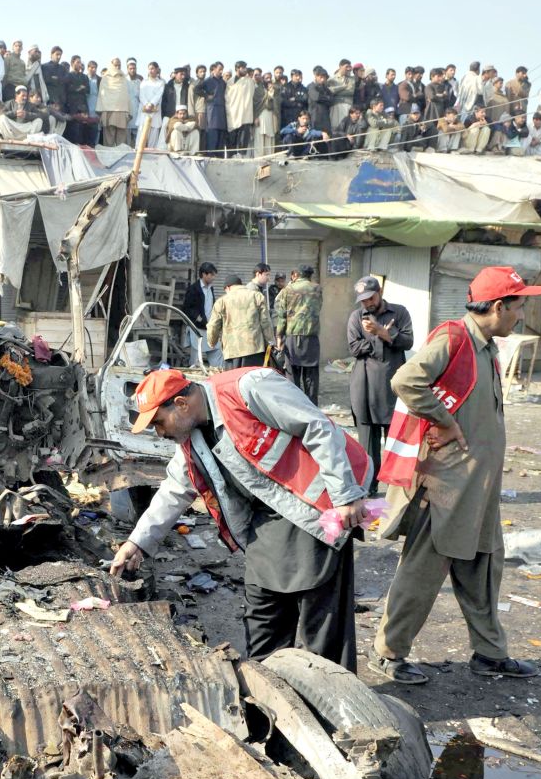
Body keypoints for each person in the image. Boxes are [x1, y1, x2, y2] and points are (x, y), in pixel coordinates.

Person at [109, 367, 371, 670]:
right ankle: (269, 683)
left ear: (181, 404)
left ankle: (331, 688)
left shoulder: (248, 388)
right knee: (264, 617)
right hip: (265, 520)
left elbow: (317, 427)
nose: (160, 433)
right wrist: (136, 543)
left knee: (321, 621)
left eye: (159, 422)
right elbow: (174, 491)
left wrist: (345, 495)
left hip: (315, 510)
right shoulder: (191, 440)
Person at [371, 266, 541, 685]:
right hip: (446, 484)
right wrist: (444, 421)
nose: (521, 315)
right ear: (498, 306)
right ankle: (390, 654)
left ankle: (489, 653)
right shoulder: (454, 338)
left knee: (483, 567)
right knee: (423, 569)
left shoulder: (486, 347)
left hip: (479, 486)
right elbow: (406, 380)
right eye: (519, 306)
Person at [346, 276, 414, 494]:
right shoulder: (356, 317)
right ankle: (370, 487)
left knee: (396, 440)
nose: (368, 303)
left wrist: (384, 332)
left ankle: (397, 489)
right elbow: (354, 348)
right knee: (367, 443)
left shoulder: (399, 313)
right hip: (364, 386)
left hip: (391, 386)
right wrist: (381, 337)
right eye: (363, 300)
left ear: (380, 292)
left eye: (371, 298)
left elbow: (408, 341)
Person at [274, 265, 322, 404]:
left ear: (296, 274)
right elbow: (318, 308)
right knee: (311, 377)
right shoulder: (317, 289)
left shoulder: (287, 289)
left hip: (292, 338)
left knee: (292, 375)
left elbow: (282, 316)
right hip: (311, 338)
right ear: (310, 275)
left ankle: (294, 405)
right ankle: (311, 407)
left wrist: (279, 336)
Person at [207, 276, 274, 369]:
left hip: (232, 351)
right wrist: (270, 341)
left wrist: (212, 342)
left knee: (234, 377)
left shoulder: (221, 301)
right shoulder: (257, 296)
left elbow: (213, 325)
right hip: (255, 349)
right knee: (252, 377)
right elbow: (265, 322)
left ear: (228, 288)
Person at [183, 262, 223, 367]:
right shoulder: (193, 289)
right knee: (196, 359)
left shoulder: (210, 288)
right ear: (204, 274)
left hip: (209, 327)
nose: (213, 277)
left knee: (217, 351)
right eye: (212, 275)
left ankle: (218, 372)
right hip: (197, 328)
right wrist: (199, 318)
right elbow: (187, 308)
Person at [95, 57, 130, 146]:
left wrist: (128, 111)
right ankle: (109, 155)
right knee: (108, 140)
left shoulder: (123, 78)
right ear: (111, 65)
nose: (117, 67)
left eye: (119, 65)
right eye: (115, 65)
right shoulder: (105, 78)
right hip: (108, 112)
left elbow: (126, 95)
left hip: (121, 111)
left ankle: (121, 155)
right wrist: (100, 111)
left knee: (121, 141)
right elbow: (101, 95)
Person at [198, 60, 226, 154]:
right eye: (219, 69)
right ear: (214, 69)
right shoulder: (208, 80)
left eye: (222, 69)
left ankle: (219, 157)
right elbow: (196, 89)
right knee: (212, 135)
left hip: (222, 112)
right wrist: (206, 96)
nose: (221, 71)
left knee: (220, 138)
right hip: (212, 112)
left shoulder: (223, 82)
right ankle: (210, 156)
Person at [63, 54, 91, 144]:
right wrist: (79, 88)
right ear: (72, 63)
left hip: (83, 106)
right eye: (77, 62)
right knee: (72, 131)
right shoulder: (68, 75)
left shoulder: (84, 77)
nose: (79, 64)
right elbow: (68, 89)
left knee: (83, 131)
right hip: (72, 107)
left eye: (80, 62)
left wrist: (76, 88)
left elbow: (87, 90)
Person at [136, 61, 164, 148]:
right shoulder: (144, 82)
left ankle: (152, 153)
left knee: (153, 133)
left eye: (152, 69)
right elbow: (141, 95)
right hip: (145, 110)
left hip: (155, 110)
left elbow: (158, 95)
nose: (151, 71)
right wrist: (146, 104)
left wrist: (151, 104)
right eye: (149, 69)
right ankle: (138, 150)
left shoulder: (161, 82)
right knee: (141, 133)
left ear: (157, 69)